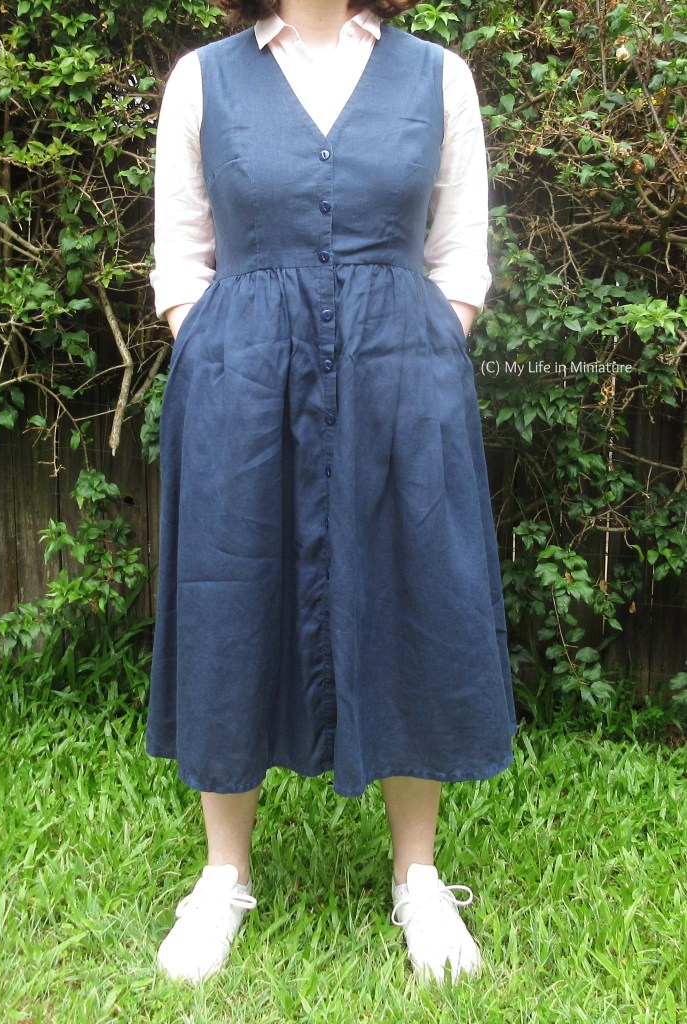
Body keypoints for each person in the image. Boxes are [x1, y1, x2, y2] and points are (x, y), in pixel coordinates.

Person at [146, 0, 516, 985]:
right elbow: (179, 254)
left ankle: (419, 875)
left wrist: (426, 351)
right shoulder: (202, 78)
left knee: (415, 597)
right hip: (241, 388)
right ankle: (222, 875)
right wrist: (218, 349)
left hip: (403, 379)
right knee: (231, 600)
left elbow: (460, 247)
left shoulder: (438, 77)